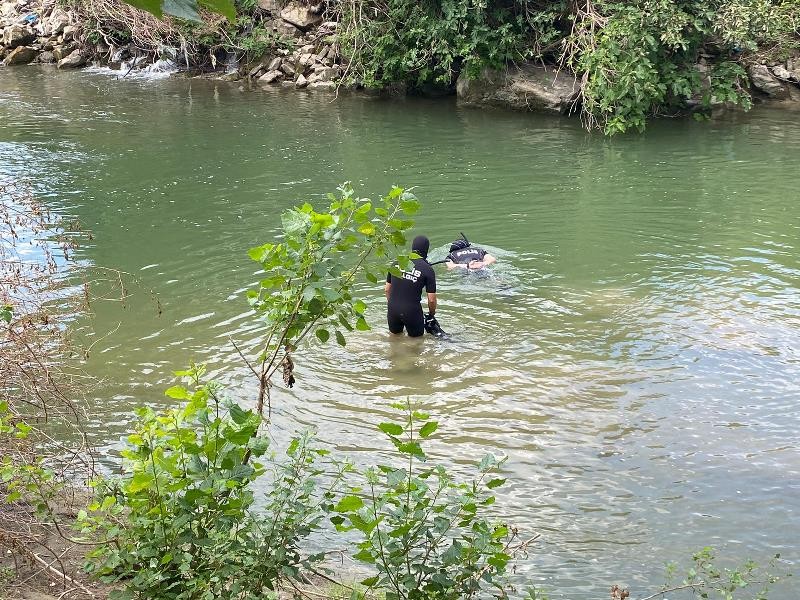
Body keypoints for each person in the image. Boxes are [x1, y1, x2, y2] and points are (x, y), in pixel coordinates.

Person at [385, 235, 437, 337]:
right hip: (412, 311)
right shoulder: (427, 269)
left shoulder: (397, 262)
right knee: (416, 343)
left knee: (394, 339)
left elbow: (387, 290)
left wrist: (393, 304)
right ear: (426, 250)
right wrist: (431, 314)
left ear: (413, 248)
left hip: (392, 309)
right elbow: (431, 299)